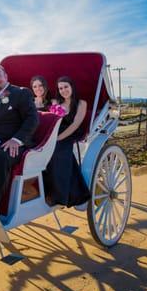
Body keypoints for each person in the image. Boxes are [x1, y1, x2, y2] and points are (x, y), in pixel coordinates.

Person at [0, 64, 38, 213]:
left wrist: (17, 139)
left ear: (6, 77)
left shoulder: (20, 93)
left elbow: (32, 119)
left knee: (2, 158)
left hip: (13, 142)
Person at [44, 76, 91, 207]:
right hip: (56, 130)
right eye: (60, 88)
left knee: (58, 150)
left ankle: (59, 195)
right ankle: (44, 189)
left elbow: (75, 124)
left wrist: (58, 138)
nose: (63, 90)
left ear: (71, 87)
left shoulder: (81, 103)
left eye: (66, 87)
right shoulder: (55, 102)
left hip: (72, 132)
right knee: (41, 148)